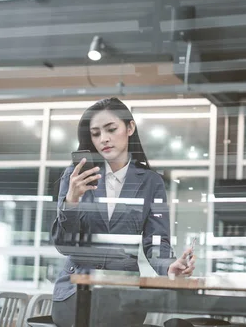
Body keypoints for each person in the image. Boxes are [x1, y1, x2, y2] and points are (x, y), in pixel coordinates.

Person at [51, 97, 196, 327]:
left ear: (130, 128)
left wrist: (168, 266)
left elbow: (155, 240)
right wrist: (72, 200)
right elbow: (63, 245)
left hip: (122, 294)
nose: (104, 139)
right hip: (75, 293)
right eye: (96, 133)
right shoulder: (76, 176)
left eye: (111, 129)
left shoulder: (151, 182)